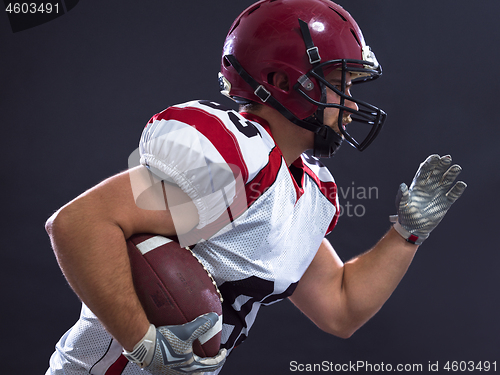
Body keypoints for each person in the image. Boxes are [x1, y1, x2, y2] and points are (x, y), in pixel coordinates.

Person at [45, 0, 467, 374]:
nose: (352, 104)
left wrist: (407, 235)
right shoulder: (235, 161)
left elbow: (340, 307)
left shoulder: (306, 188)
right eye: (341, 84)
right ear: (284, 82)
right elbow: (78, 223)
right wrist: (144, 344)